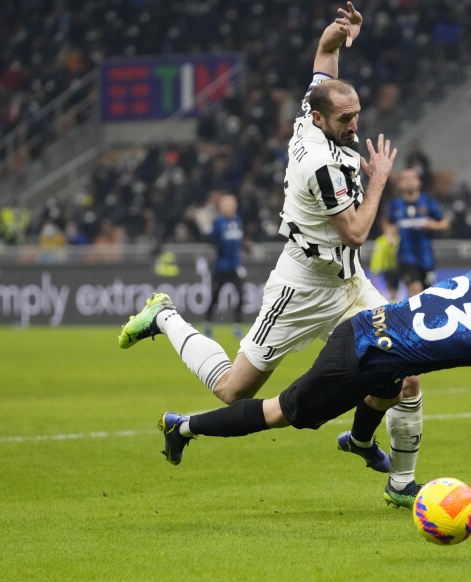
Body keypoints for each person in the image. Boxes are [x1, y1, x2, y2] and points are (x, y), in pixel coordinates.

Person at [118, 2, 424, 503]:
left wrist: (338, 36)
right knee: (233, 390)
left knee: (404, 372)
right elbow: (354, 232)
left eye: (358, 115)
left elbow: (323, 59)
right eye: (346, 119)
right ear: (320, 118)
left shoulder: (313, 113)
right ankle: (165, 316)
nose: (355, 125)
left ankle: (400, 483)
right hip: (302, 286)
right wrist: (379, 182)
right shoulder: (319, 163)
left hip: (350, 286)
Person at [155, 264, 471, 506]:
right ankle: (184, 427)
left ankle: (361, 442)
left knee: (396, 386)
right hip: (354, 360)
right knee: (279, 413)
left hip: (369, 329)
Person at [388, 168, 451, 297]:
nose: (409, 182)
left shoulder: (428, 201)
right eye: (405, 178)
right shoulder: (395, 205)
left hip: (426, 257)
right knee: (415, 289)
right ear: (400, 184)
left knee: (426, 295)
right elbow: (389, 225)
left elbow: (445, 223)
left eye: (412, 178)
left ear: (419, 182)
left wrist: (434, 225)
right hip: (406, 257)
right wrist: (390, 235)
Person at [202, 193, 245, 339]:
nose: (231, 207)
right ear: (222, 207)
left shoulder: (238, 221)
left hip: (235, 266)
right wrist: (217, 245)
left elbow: (238, 242)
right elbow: (210, 239)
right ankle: (207, 324)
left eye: (233, 204)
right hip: (221, 267)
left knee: (241, 294)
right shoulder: (219, 223)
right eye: (228, 205)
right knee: (215, 297)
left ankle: (237, 326)